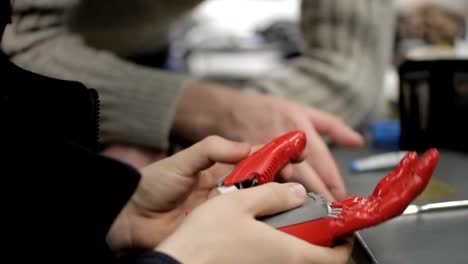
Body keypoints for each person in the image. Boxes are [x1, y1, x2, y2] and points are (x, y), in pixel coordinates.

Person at [1, 2, 353, 263]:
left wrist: (114, 208)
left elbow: (346, 64)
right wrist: (185, 258)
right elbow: (16, 44)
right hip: (44, 73)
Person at [1, 0, 395, 201]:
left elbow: (348, 66)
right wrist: (197, 111)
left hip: (142, 58)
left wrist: (171, 124)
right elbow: (14, 38)